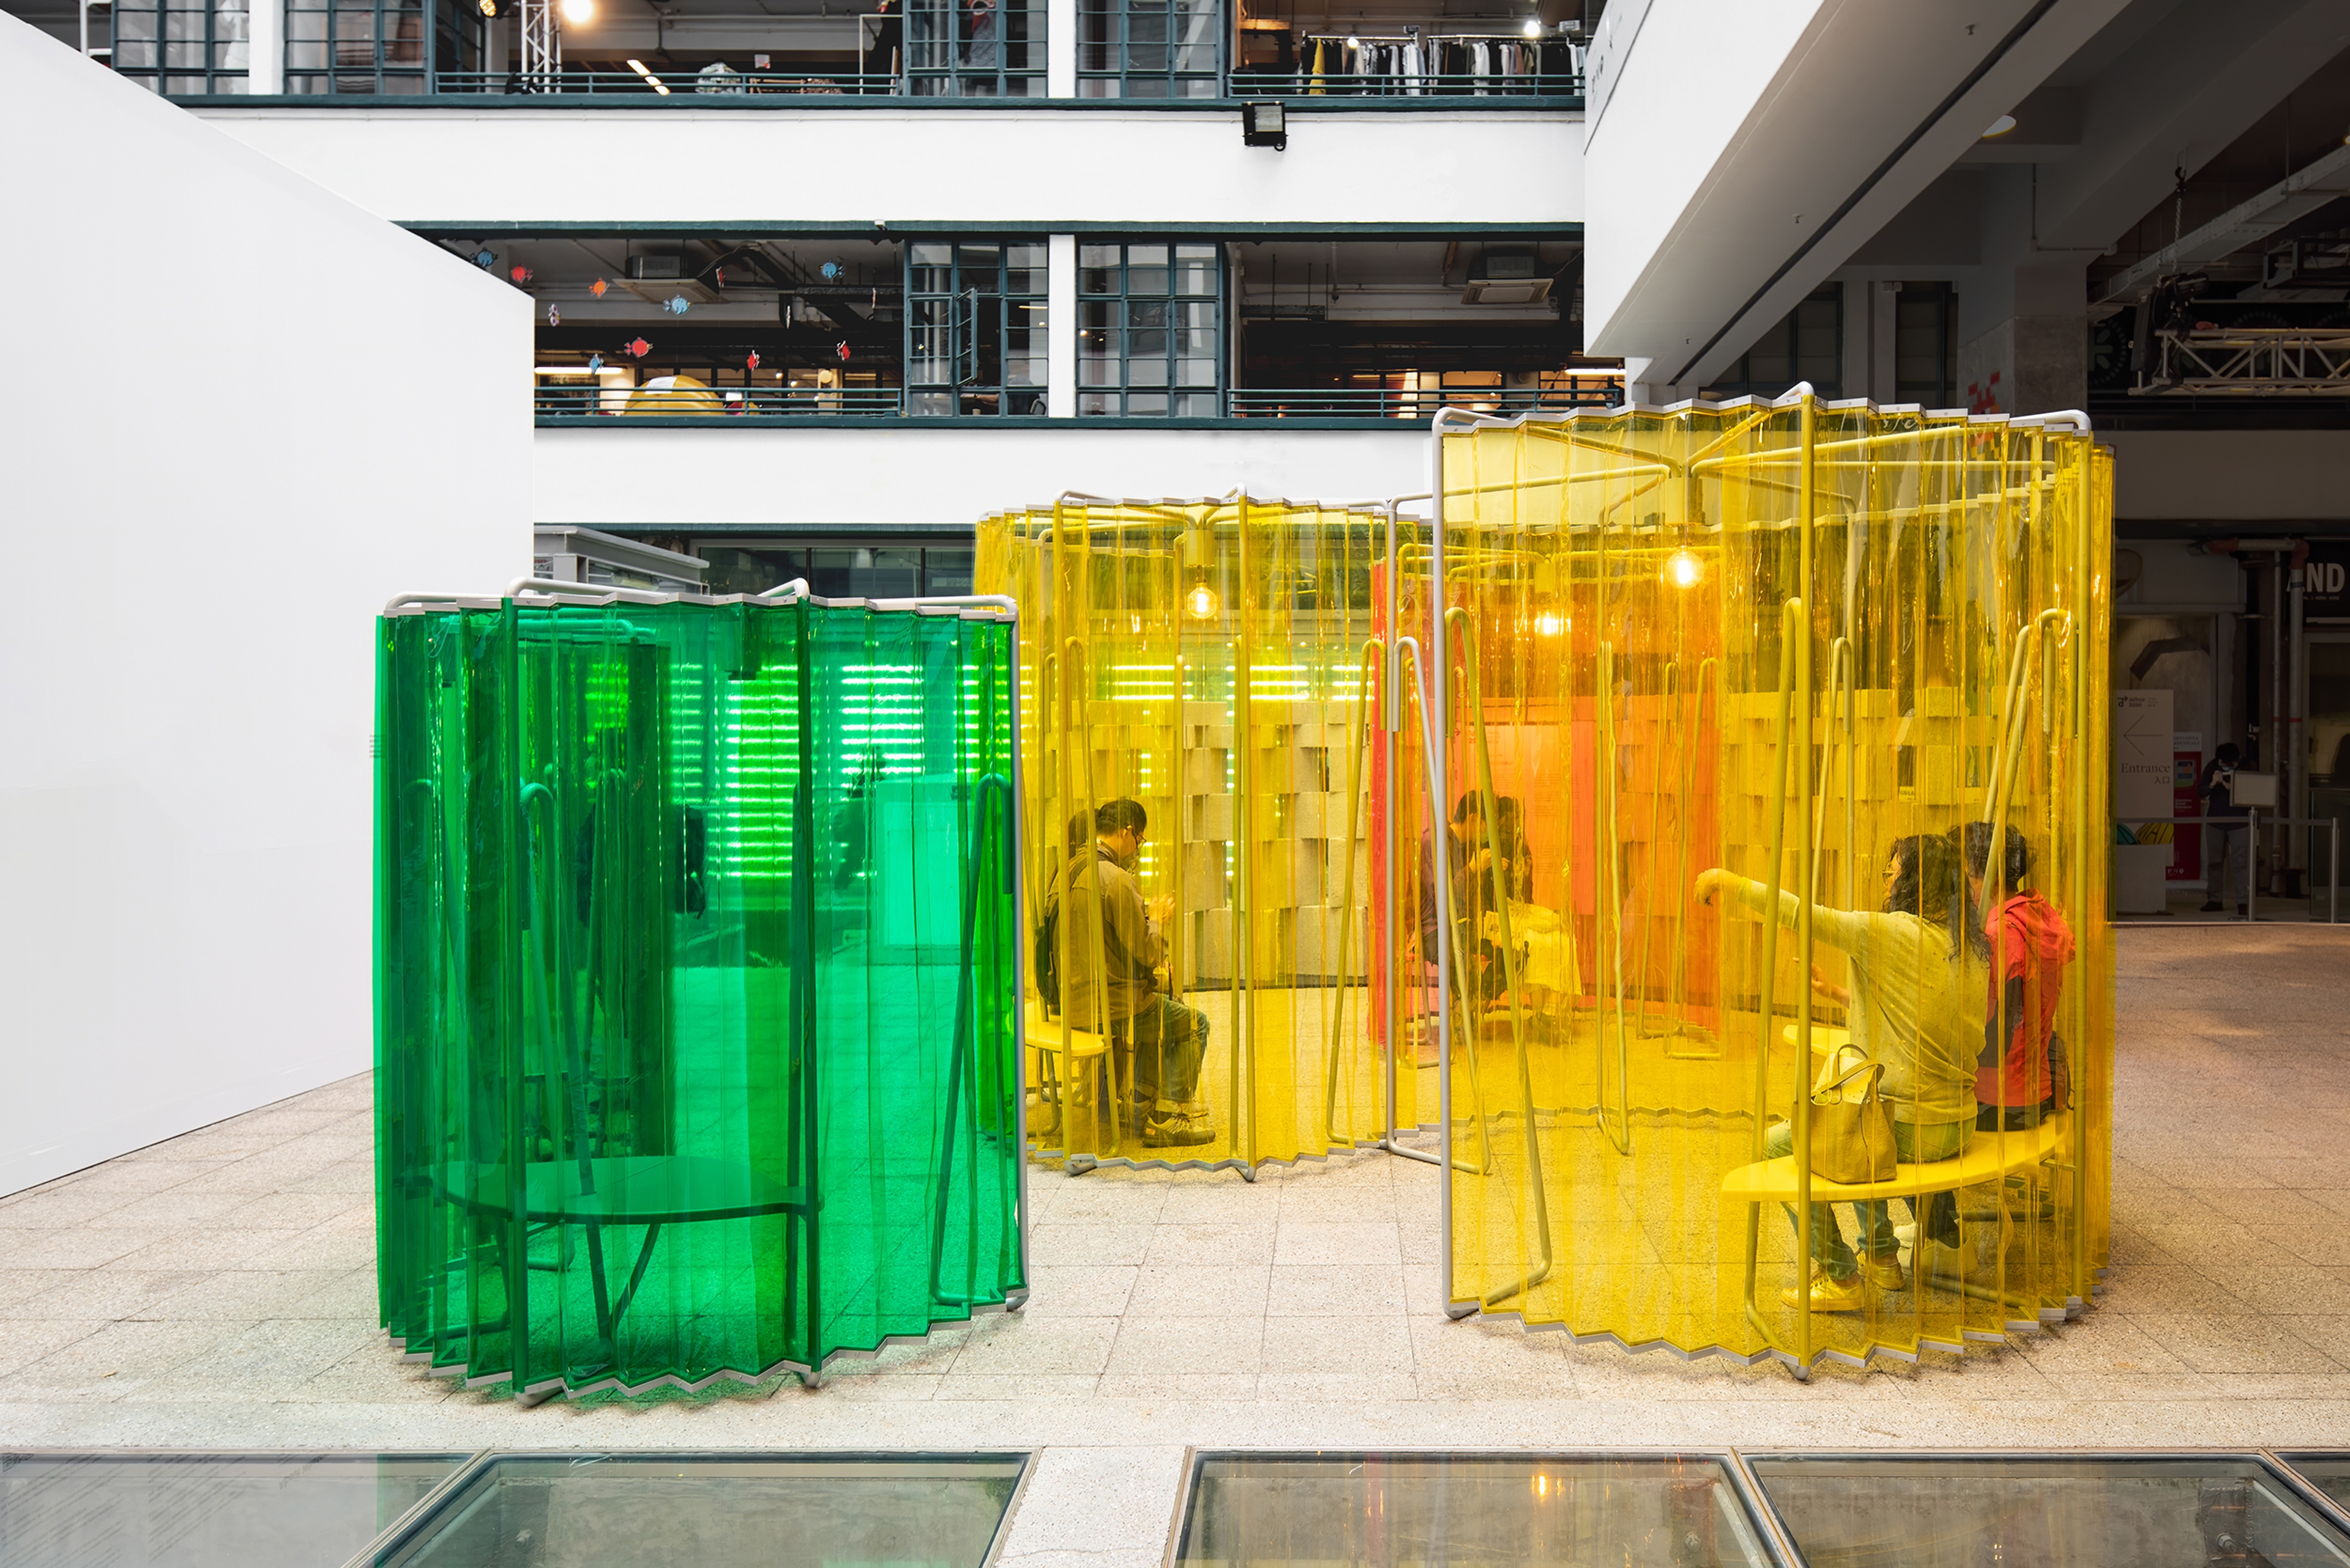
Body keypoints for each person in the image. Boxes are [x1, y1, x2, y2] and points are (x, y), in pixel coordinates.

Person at [1695, 834, 1979, 1313]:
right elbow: (1926, 1016)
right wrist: (1842, 995)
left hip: (1914, 1130)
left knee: (1797, 1140)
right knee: (1861, 1110)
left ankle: (1843, 1274)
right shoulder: (1969, 945)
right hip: (1960, 1123)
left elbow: (1804, 915)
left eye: (1892, 873)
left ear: (1912, 883)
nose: (1887, 883)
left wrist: (1728, 881)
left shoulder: (1893, 933)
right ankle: (1894, 1253)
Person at [1911, 821, 2078, 1256]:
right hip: (2035, 1087)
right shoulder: (2036, 915)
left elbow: (1992, 1042)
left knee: (1910, 1116)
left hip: (2002, 1099)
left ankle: (1942, 1236)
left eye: (1956, 872)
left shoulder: (1998, 935)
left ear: (1980, 875)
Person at [1045, 798, 1213, 1148]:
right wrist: (1158, 920)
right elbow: (1146, 951)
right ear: (1126, 833)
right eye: (1140, 840)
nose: (1139, 848)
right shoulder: (1116, 879)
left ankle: (1135, 1103)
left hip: (1069, 999)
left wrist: (1144, 916)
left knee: (1158, 1006)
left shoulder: (1067, 869)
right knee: (1192, 1023)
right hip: (1111, 1005)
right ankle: (1165, 1119)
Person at [2199, 742, 2248, 914]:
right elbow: (2200, 791)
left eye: (2231, 764)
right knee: (2214, 862)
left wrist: (2231, 786)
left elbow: (2254, 792)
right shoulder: (2212, 767)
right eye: (2224, 763)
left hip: (2240, 822)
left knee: (2241, 863)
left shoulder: (2246, 767)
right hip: (2215, 821)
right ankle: (2214, 900)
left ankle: (2243, 902)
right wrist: (2213, 784)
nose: (2227, 766)